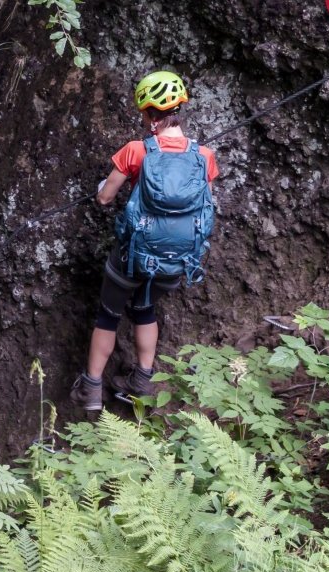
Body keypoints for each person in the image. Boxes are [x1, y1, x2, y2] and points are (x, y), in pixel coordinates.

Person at [71, 70, 219, 410]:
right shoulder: (204, 156)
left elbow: (105, 198)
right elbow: (206, 206)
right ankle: (142, 382)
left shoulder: (136, 151)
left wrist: (103, 187)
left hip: (132, 258)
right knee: (144, 308)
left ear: (150, 114)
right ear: (179, 109)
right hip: (177, 261)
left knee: (109, 315)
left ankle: (90, 390)